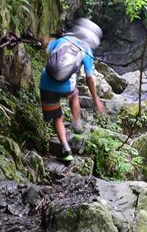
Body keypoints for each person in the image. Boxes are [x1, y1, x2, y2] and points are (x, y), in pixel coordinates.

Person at [40, 18, 106, 162]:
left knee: (57, 117)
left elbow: (46, 47)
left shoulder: (62, 40)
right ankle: (76, 123)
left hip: (47, 84)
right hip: (66, 86)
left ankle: (66, 149)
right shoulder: (86, 50)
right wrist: (96, 100)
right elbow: (89, 78)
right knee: (74, 93)